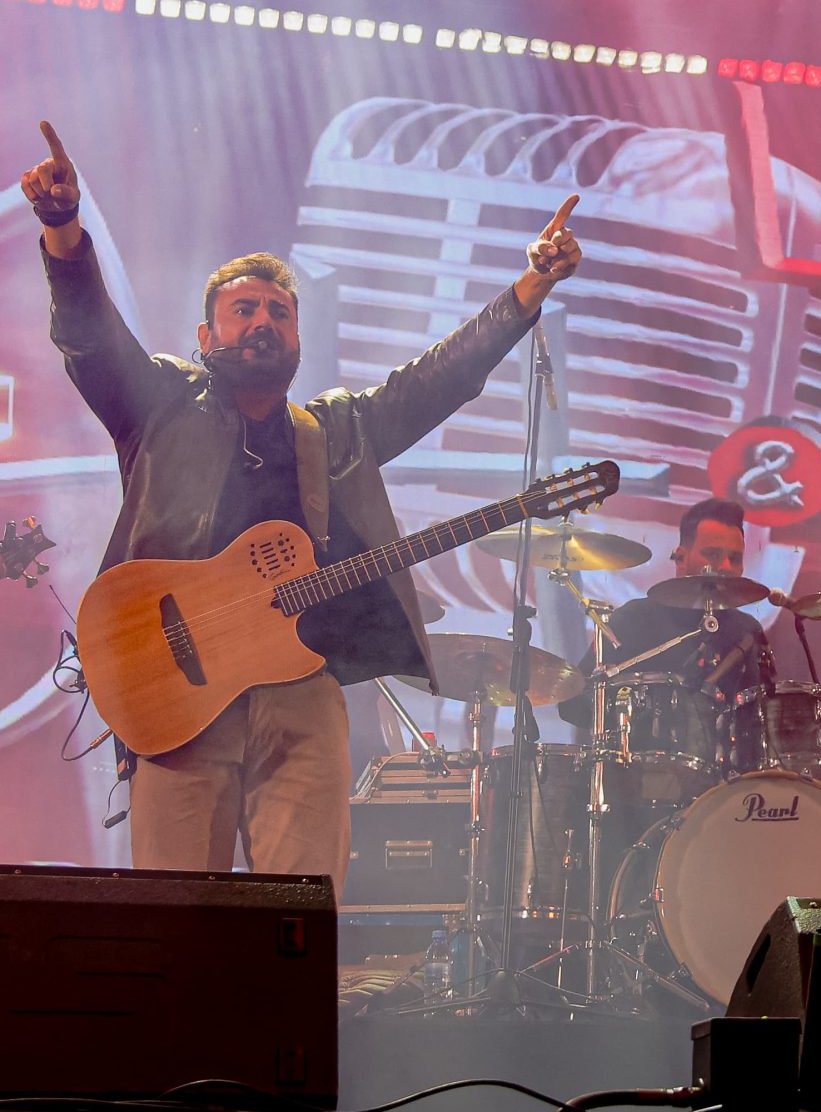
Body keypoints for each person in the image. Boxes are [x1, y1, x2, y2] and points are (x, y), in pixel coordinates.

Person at [22, 119, 583, 896]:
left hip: (302, 695)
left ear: (297, 335)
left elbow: (436, 380)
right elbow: (89, 338)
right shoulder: (157, 404)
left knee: (299, 923)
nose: (262, 323)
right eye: (243, 310)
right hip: (177, 701)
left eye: (278, 313)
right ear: (205, 334)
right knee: (177, 925)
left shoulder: (337, 429)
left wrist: (529, 290)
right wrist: (63, 232)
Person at [556, 496, 772, 767]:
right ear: (681, 558)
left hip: (723, 790)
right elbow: (573, 703)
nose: (726, 567)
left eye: (735, 558)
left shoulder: (747, 631)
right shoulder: (633, 619)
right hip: (633, 785)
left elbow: (763, 724)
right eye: (713, 555)